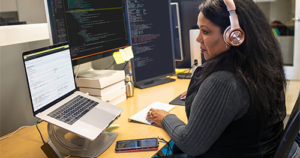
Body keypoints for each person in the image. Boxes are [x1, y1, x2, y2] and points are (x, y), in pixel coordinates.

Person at [146, 0, 287, 157]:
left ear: (234, 35)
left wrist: (166, 117)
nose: (198, 38)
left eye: (205, 31)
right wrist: (206, 95)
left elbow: (190, 144)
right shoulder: (262, 67)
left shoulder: (224, 82)